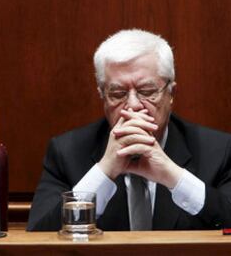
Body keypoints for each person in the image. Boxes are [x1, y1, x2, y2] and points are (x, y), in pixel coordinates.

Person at [27, 29, 231, 231]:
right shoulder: (67, 152)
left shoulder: (218, 151)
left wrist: (173, 176)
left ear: (171, 94)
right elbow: (38, 238)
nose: (133, 105)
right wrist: (104, 171)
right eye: (117, 94)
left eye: (147, 92)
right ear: (102, 97)